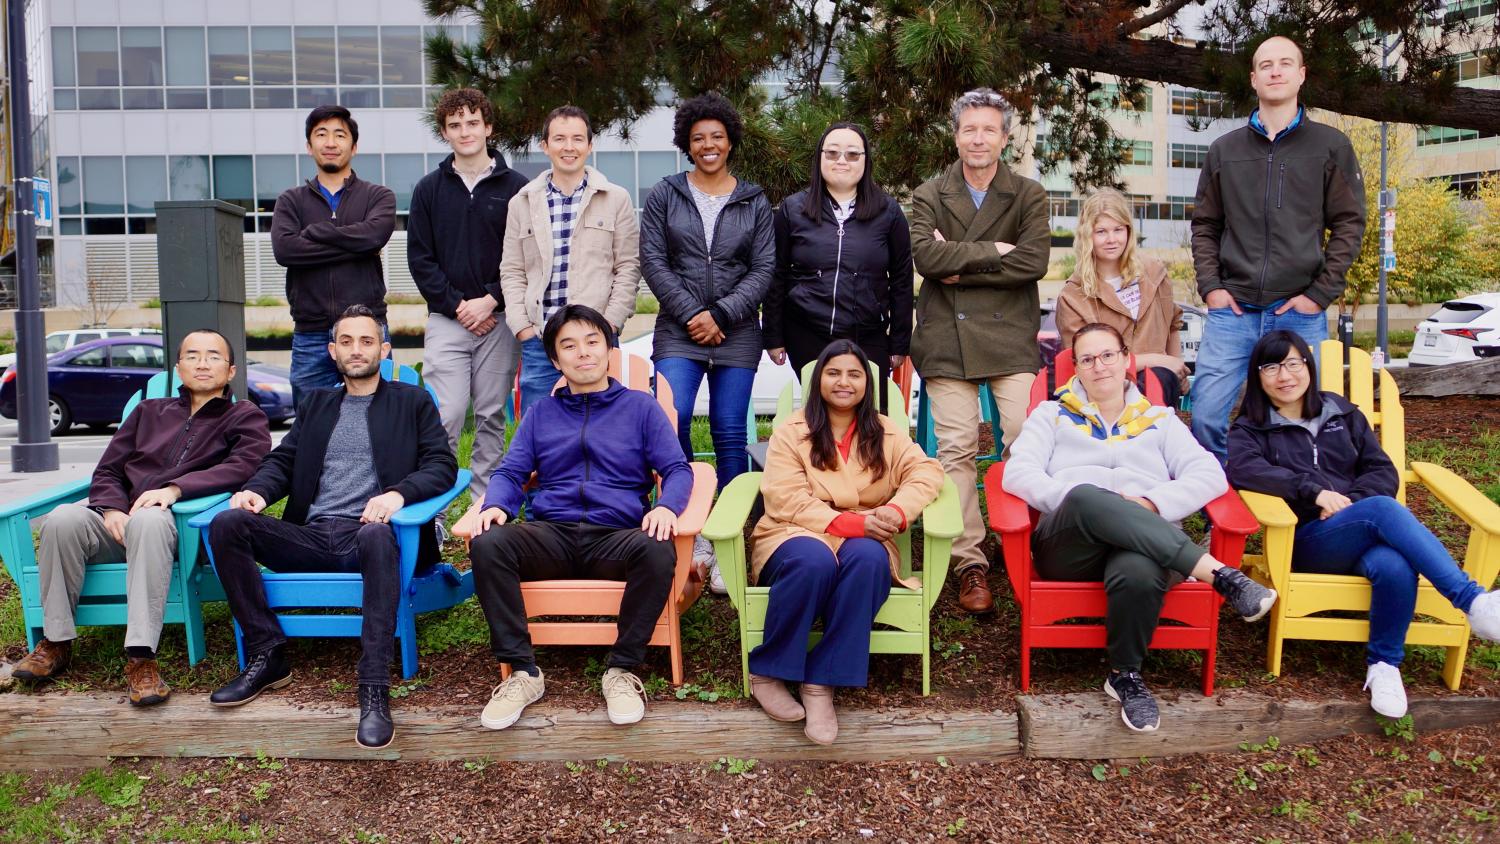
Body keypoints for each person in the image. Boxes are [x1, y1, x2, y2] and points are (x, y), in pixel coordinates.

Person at [1003, 323, 1277, 733]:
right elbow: (1018, 473)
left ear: (1126, 359)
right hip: (1072, 547)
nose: (1099, 366)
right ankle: (1218, 574)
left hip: (1148, 548)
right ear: (1075, 368)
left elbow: (1209, 474)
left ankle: (1125, 676)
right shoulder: (1052, 415)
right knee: (1085, 495)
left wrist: (1152, 503)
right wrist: (1094, 507)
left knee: (1137, 568)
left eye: (1108, 355)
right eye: (1088, 359)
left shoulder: (1160, 420)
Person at [207, 306, 456, 750]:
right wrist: (258, 493)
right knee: (229, 524)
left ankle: (374, 686)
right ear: (332, 351)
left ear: (384, 348)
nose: (356, 350)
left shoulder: (411, 401)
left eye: (366, 341)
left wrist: (397, 495)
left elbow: (442, 464)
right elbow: (283, 460)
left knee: (377, 535)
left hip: (376, 534)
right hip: (313, 533)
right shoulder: (318, 404)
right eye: (346, 341)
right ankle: (268, 655)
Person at [1226, 330, 1500, 718]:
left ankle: (1384, 666)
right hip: (1304, 541)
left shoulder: (1340, 412)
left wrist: (1349, 504)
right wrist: (1315, 493)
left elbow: (1381, 470)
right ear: (1258, 376)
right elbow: (1244, 470)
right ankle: (1470, 600)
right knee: (1382, 511)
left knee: (1393, 563)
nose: (1284, 375)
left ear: (1308, 365)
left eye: (1292, 363)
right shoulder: (1251, 429)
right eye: (1271, 367)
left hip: (1357, 530)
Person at [12, 331, 270, 706]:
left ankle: (140, 658)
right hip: (120, 524)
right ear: (178, 367)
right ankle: (56, 643)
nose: (201, 363)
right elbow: (107, 470)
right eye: (192, 356)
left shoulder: (244, 416)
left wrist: (175, 490)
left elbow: (243, 466)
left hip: (180, 529)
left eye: (213, 356)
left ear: (230, 371)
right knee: (62, 519)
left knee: (149, 519)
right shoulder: (148, 412)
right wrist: (112, 508)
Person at [468, 305, 692, 731]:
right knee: (489, 543)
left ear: (609, 348)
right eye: (569, 346)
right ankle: (522, 672)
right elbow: (513, 470)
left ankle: (622, 670)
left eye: (592, 342)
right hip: (552, 534)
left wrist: (666, 506)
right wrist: (497, 503)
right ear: (555, 360)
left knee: (657, 549)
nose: (583, 353)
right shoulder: (541, 414)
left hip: (618, 535)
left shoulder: (642, 409)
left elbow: (678, 469)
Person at [749, 340, 944, 744]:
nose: (844, 381)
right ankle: (767, 673)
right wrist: (850, 522)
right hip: (796, 531)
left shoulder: (886, 431)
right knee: (813, 562)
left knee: (870, 561)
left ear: (867, 383)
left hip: (869, 534)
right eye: (833, 372)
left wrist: (898, 511)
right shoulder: (793, 431)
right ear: (818, 379)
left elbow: (926, 473)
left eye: (854, 374)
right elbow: (784, 497)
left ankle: (821, 683)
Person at [909, 87, 1052, 614]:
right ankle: (971, 561)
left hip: (1010, 336)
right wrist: (994, 251)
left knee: (1025, 440)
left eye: (989, 129)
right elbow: (925, 255)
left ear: (1004, 137)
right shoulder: (929, 192)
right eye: (969, 128)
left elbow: (1034, 262)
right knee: (956, 450)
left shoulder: (1029, 193)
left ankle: (1030, 543)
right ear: (956, 133)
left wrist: (958, 262)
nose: (978, 137)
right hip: (946, 336)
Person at [1189, 35, 1366, 462]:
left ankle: (1290, 508)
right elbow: (1205, 226)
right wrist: (1212, 287)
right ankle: (1227, 512)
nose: (1276, 70)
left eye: (1286, 63)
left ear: (1301, 75)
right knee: (1206, 416)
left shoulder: (1330, 146)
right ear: (1253, 79)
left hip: (1297, 312)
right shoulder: (1224, 151)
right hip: (1233, 311)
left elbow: (1348, 224)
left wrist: (1319, 295)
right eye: (1266, 64)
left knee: (1299, 422)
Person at [640, 91, 774, 489]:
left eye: (716, 136)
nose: (708, 145)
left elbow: (763, 267)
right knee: (672, 415)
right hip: (678, 332)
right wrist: (694, 314)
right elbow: (653, 261)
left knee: (730, 429)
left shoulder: (754, 200)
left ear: (730, 140)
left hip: (737, 331)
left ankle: (728, 523)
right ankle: (688, 508)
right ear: (687, 144)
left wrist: (720, 315)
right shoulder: (665, 194)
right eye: (698, 138)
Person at [408, 88, 528, 501]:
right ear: (445, 132)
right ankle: (433, 511)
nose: (465, 131)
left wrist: (492, 299)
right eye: (455, 125)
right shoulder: (428, 189)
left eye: (473, 122)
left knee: (493, 415)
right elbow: (420, 259)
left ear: (488, 127)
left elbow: (528, 255)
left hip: (500, 320)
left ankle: (484, 505)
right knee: (447, 414)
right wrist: (458, 306)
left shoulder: (518, 187)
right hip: (447, 319)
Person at [502, 105, 641, 416]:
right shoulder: (521, 203)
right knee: (538, 431)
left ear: (590, 146)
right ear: (545, 145)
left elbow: (628, 267)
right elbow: (512, 270)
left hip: (596, 338)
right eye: (560, 138)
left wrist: (610, 323)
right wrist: (522, 326)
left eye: (577, 139)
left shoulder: (615, 198)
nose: (569, 147)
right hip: (540, 339)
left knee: (604, 425)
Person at [764, 122, 913, 404]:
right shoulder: (793, 209)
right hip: (807, 333)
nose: (841, 160)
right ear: (819, 158)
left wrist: (899, 342)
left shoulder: (888, 212)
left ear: (865, 161)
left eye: (852, 154)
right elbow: (776, 274)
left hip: (868, 333)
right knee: (819, 417)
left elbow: (903, 280)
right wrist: (773, 335)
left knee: (871, 419)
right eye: (832, 153)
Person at [272, 105, 397, 411]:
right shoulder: (291, 201)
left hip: (368, 327)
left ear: (353, 147)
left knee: (378, 416)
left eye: (339, 135)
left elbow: (374, 237)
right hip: (311, 333)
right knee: (311, 420)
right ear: (309, 145)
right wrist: (352, 243)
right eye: (321, 134)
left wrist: (315, 232)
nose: (330, 142)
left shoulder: (378, 196)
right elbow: (285, 250)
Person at [1057, 188, 1187, 409]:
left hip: (1160, 385)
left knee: (1158, 380)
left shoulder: (1154, 274)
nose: (1111, 240)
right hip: (1103, 390)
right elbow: (1083, 361)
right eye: (1101, 232)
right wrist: (1157, 360)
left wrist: (1177, 370)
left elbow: (1173, 324)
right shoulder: (1073, 295)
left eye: (1118, 230)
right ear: (1087, 236)